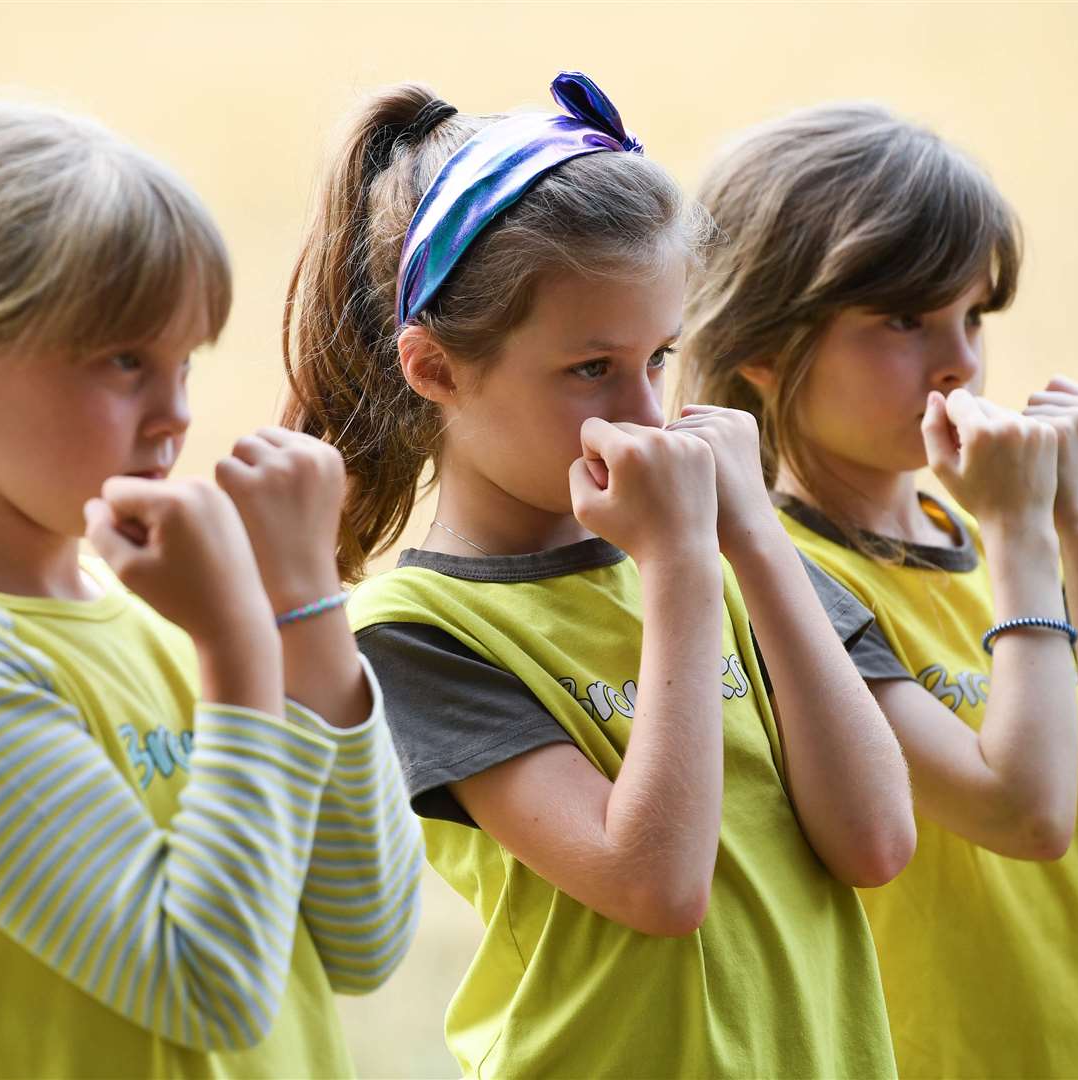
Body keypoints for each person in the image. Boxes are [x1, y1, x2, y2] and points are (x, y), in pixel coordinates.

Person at [282, 72, 915, 1077]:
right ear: (436, 369)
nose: (647, 414)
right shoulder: (417, 632)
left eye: (659, 357)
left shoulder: (729, 549)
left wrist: (751, 544)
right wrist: (677, 572)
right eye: (591, 369)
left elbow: (878, 840)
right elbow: (657, 885)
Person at [0, 101, 422, 1078]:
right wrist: (243, 645)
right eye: (124, 362)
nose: (177, 415)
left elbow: (367, 936)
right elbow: (211, 985)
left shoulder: (151, 612)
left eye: (184, 362)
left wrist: (304, 603)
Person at [681, 102, 1078, 1078]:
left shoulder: (991, 545)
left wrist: (1075, 517)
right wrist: (1019, 533)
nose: (959, 360)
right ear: (766, 348)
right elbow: (1025, 814)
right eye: (904, 321)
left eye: (972, 315)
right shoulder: (780, 583)